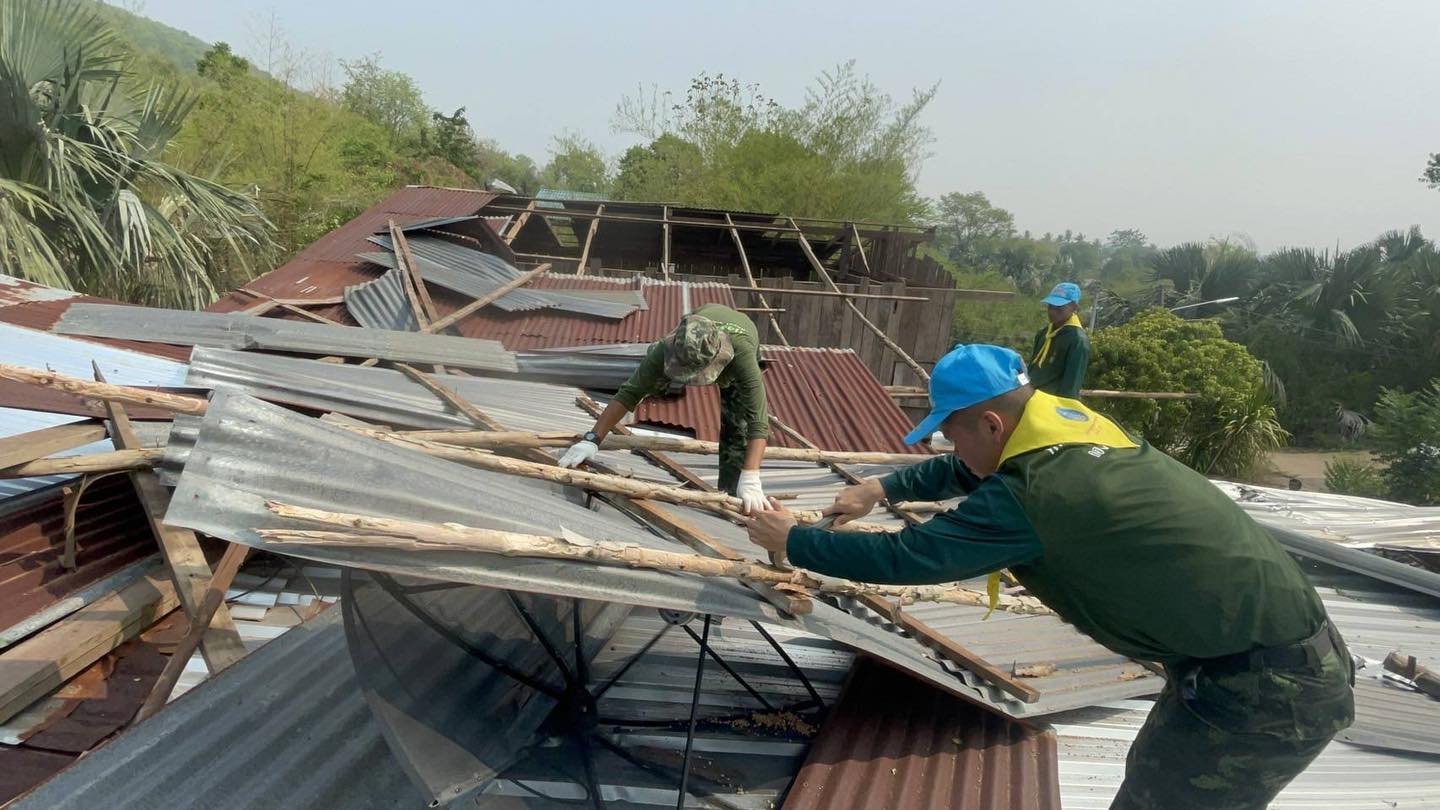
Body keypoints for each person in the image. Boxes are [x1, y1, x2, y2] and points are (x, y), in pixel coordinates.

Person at [746, 344, 1354, 810]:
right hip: (1250, 658)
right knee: (1151, 777)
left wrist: (793, 540)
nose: (946, 446)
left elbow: (907, 559)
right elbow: (974, 469)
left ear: (989, 422)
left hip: (1268, 688)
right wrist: (882, 486)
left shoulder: (1041, 494)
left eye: (948, 432)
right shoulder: (1068, 422)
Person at [559, 303, 772, 514]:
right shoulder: (666, 348)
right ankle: (660, 386)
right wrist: (591, 439)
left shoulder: (741, 354)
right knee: (650, 380)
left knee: (737, 427)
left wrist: (751, 475)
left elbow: (758, 421)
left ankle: (732, 495)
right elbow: (628, 393)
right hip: (702, 318)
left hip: (739, 342)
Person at [1030, 281, 1089, 398]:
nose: (1052, 312)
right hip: (1032, 398)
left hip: (1052, 405)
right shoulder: (1043, 333)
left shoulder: (1077, 340)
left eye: (1059, 308)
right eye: (1050, 306)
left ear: (1074, 307)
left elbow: (1071, 387)